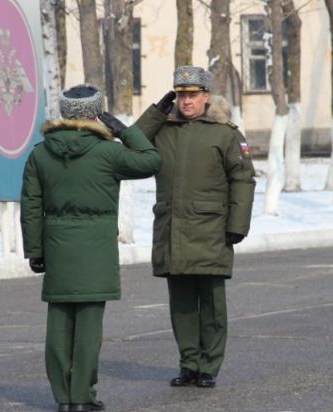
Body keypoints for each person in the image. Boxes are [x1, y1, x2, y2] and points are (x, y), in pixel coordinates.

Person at [20, 84, 161, 412]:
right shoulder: (109, 153)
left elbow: (31, 206)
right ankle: (82, 396)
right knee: (87, 327)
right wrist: (124, 131)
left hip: (57, 250)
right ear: (97, 114)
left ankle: (63, 397)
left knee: (58, 323)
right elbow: (152, 160)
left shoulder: (40, 154)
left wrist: (35, 251)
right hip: (96, 252)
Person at [136, 65, 256, 388]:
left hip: (212, 229)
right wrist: (155, 113)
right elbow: (132, 145)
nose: (186, 101)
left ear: (206, 96)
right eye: (180, 95)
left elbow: (243, 179)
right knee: (182, 304)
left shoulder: (225, 133)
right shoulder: (163, 129)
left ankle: (209, 366)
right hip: (173, 229)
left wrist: (237, 224)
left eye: (192, 95)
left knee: (212, 303)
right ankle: (189, 363)